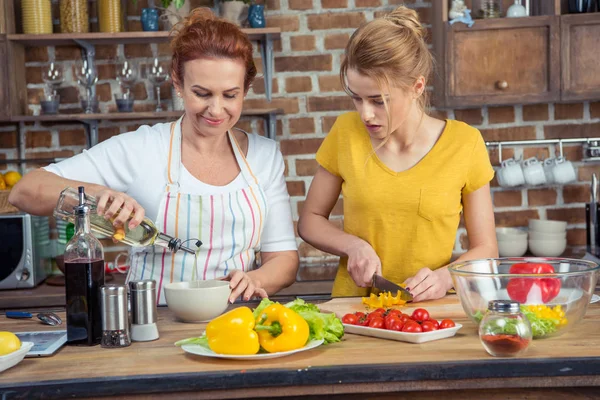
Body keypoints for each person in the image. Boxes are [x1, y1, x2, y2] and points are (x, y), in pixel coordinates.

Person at [9, 8, 299, 305]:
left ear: (246, 89)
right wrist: (98, 194)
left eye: (229, 95)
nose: (215, 109)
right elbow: (24, 190)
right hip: (153, 327)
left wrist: (256, 279)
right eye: (202, 93)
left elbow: (284, 259)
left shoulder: (264, 156)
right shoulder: (142, 148)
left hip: (237, 328)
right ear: (177, 83)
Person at [297, 6, 497, 302]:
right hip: (354, 309)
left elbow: (487, 250)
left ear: (417, 86)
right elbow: (309, 220)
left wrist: (446, 277)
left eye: (378, 101)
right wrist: (352, 246)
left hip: (429, 314)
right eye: (356, 98)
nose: (365, 114)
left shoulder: (464, 143)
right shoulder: (346, 132)